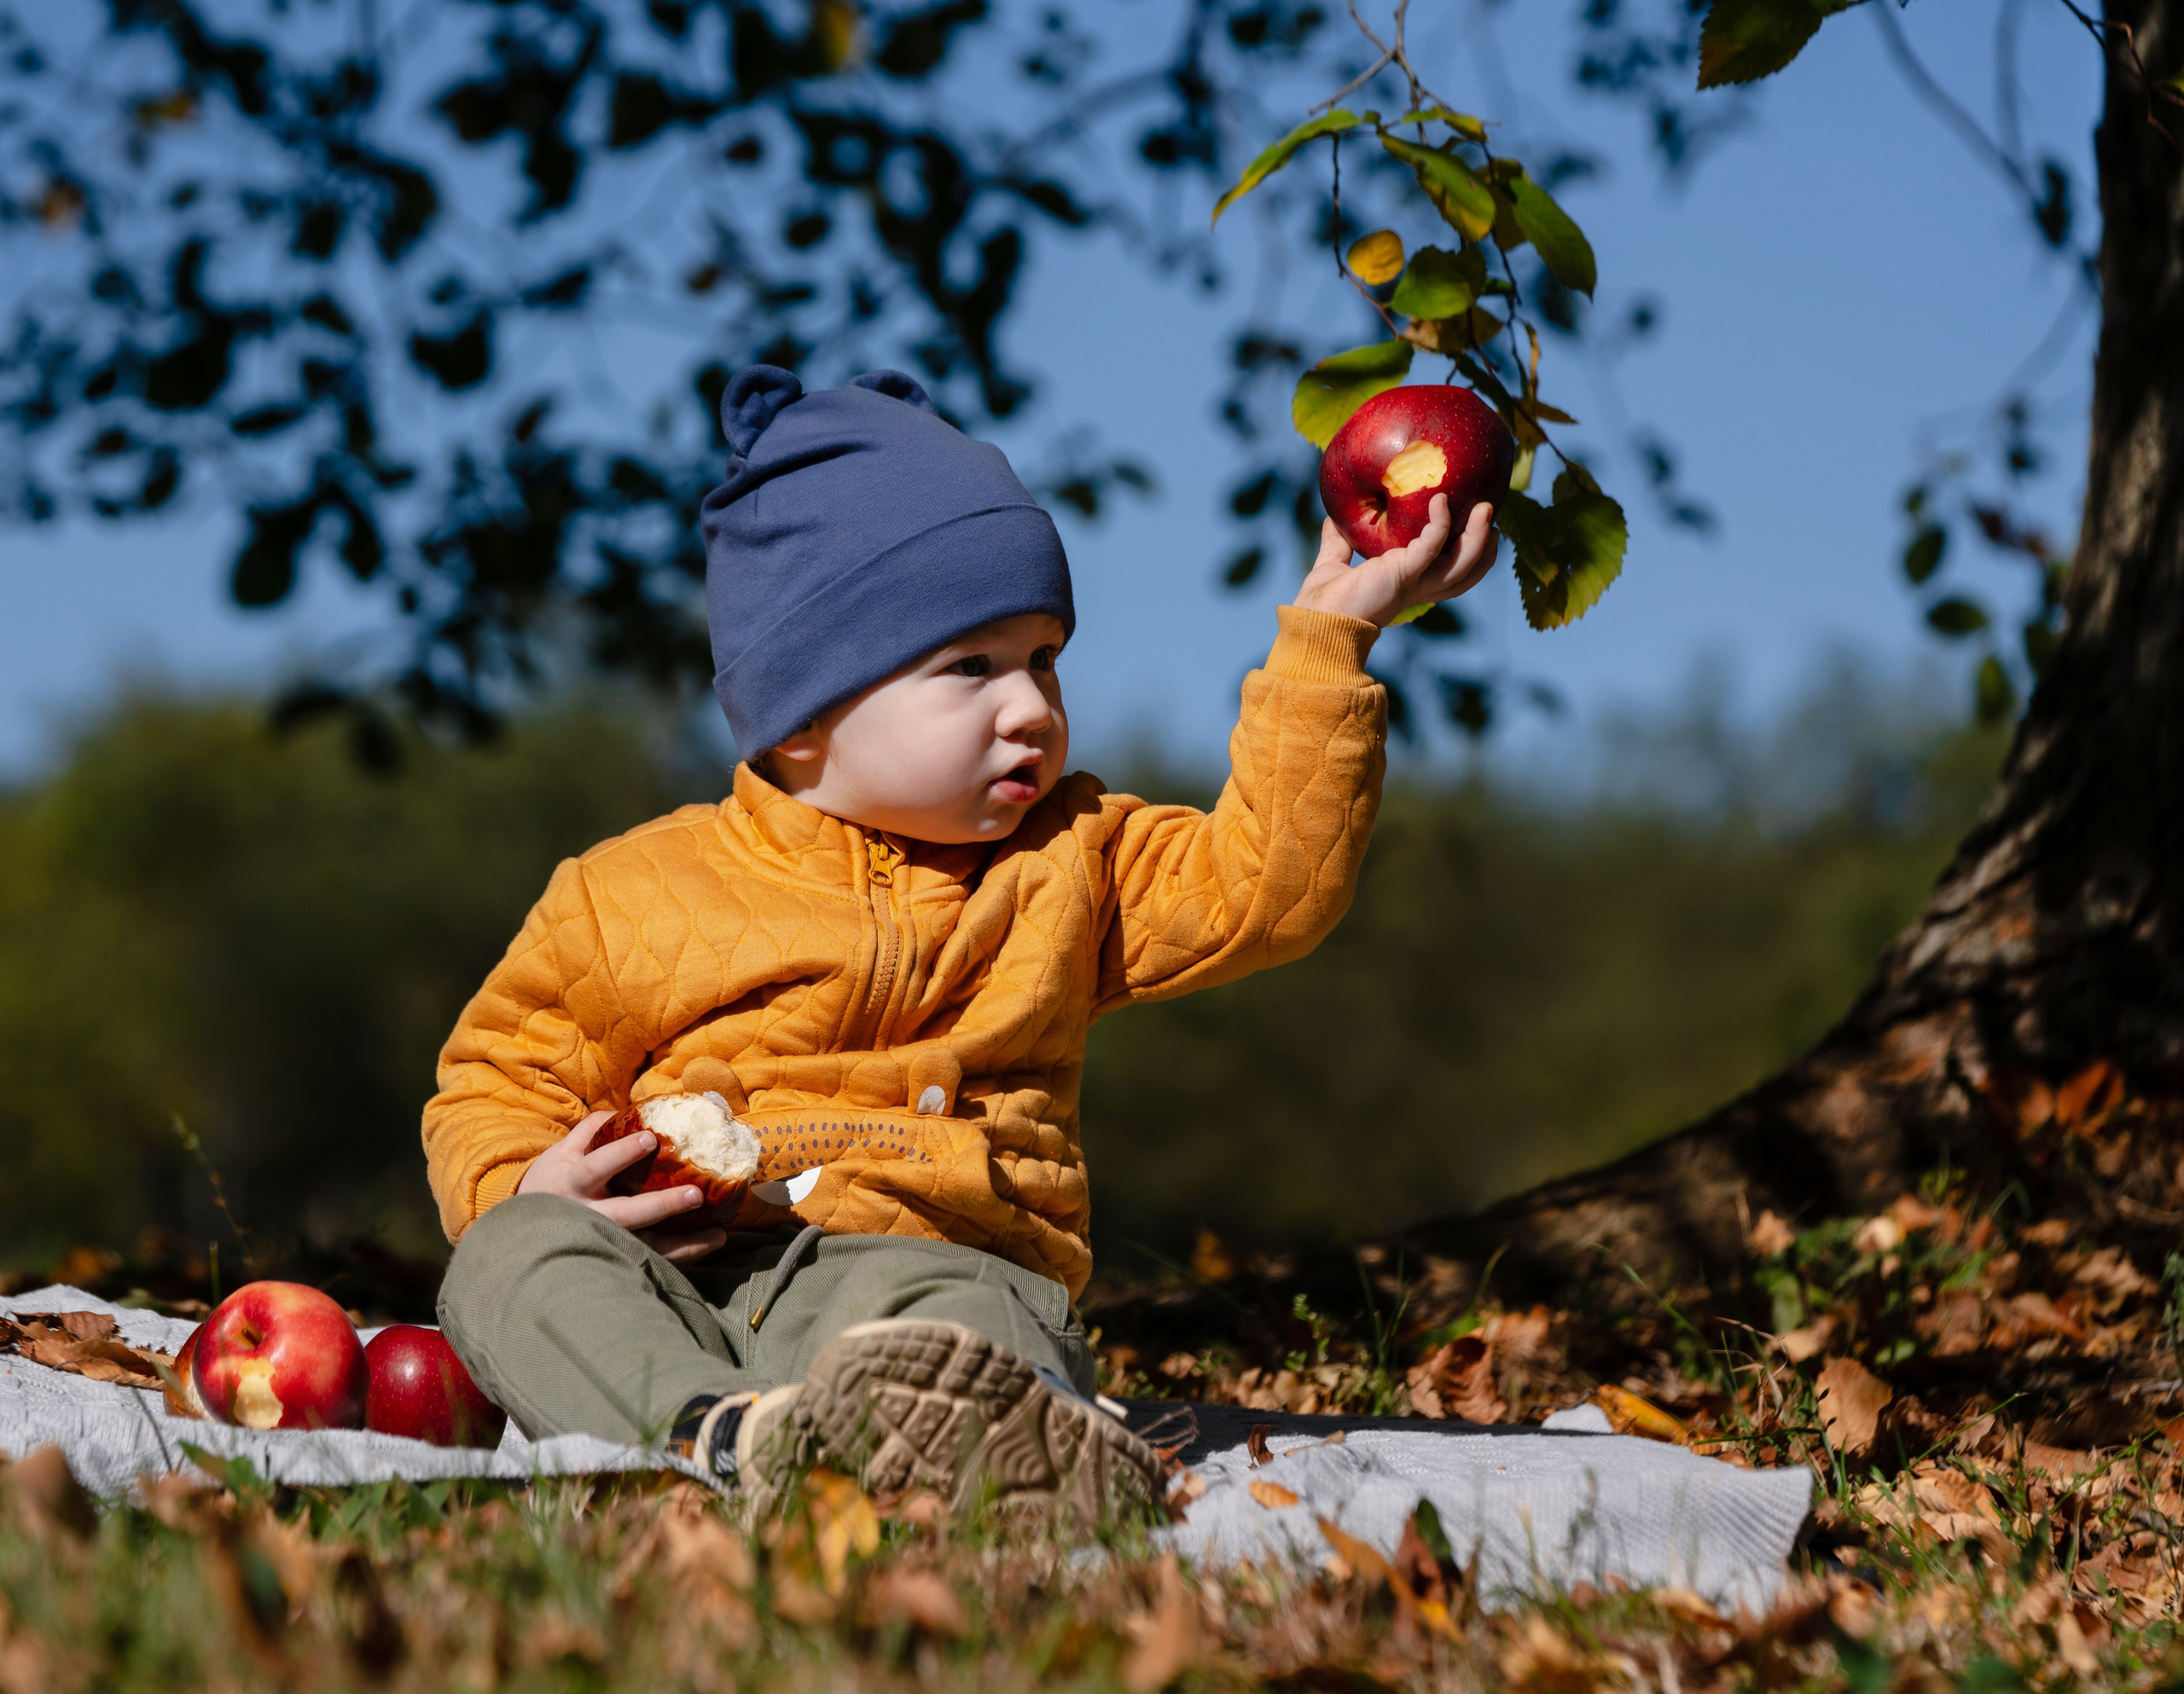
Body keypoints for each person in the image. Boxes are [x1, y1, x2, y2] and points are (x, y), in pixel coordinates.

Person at [424, 364, 1497, 1517]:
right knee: (506, 1262)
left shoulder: (1075, 855)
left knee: (967, 1326)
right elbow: (498, 1075)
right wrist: (526, 1180)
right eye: (970, 667)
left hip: (927, 1272)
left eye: (1045, 657)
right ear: (801, 719)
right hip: (682, 1272)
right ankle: (712, 1438)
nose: (1029, 705)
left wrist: (1330, 637)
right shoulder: (631, 891)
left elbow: (1266, 886)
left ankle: (923, 1456)